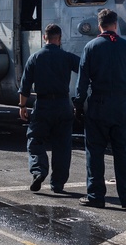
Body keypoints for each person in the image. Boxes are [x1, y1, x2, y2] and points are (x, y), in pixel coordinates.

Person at [73, 8, 126, 209]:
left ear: (99, 25)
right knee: (123, 153)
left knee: (95, 153)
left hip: (98, 106)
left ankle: (96, 196)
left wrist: (79, 104)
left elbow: (82, 81)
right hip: (121, 107)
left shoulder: (90, 47)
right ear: (115, 25)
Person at [18, 24, 80, 194]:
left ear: (44, 38)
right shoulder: (67, 57)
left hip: (43, 105)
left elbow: (24, 86)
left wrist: (22, 106)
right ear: (59, 39)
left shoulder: (35, 58)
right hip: (63, 105)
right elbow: (85, 69)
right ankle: (58, 184)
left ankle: (39, 171)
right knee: (62, 146)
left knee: (35, 140)